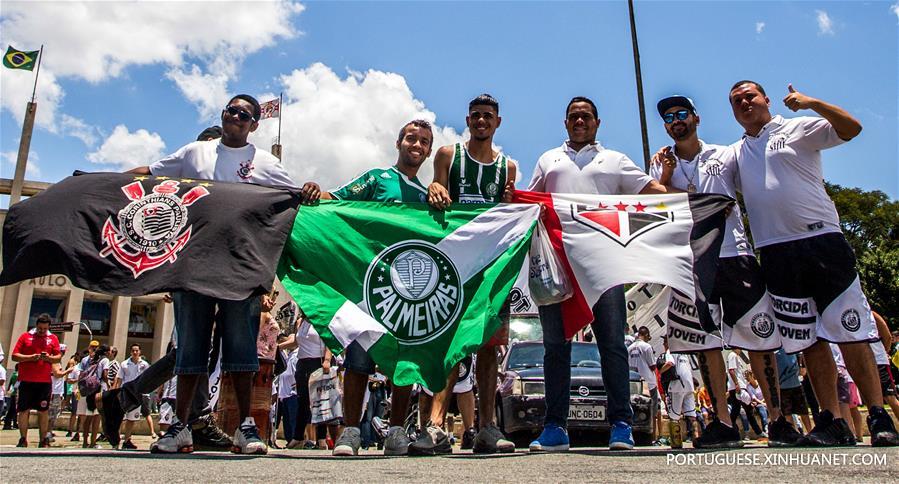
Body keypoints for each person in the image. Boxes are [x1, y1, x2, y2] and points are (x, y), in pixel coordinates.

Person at [126, 94, 320, 455]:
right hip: (193, 264)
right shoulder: (193, 153)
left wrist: (311, 190)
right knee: (191, 347)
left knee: (241, 347)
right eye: (232, 110)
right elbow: (149, 175)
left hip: (240, 266)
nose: (237, 117)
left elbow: (296, 196)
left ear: (254, 125)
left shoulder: (265, 163)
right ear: (223, 114)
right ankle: (181, 426)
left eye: (245, 114)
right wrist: (102, 183)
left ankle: (245, 428)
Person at [728, 80, 897, 446]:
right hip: (775, 251)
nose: (744, 103)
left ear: (766, 99)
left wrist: (810, 102)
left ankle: (879, 415)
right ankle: (831, 420)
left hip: (821, 240)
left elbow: (851, 128)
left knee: (850, 331)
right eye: (736, 101)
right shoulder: (736, 153)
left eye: (749, 96)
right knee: (808, 340)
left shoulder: (797, 128)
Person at [526, 96, 675, 452]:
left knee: (612, 345)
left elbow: (651, 193)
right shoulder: (548, 159)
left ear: (597, 122)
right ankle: (555, 426)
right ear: (565, 123)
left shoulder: (615, 160)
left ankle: (621, 424)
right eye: (573, 116)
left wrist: (678, 189)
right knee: (555, 346)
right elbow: (528, 201)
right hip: (559, 268)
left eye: (586, 116)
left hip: (605, 266)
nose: (579, 121)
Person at [651, 94, 799, 448]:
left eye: (682, 113)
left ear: (696, 118)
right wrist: (668, 176)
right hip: (691, 261)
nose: (676, 120)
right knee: (705, 343)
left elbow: (756, 182)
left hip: (735, 255)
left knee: (759, 337)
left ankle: (778, 419)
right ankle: (722, 421)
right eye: (669, 117)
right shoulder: (660, 164)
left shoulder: (726, 153)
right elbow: (656, 199)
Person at [319, 119, 434, 456]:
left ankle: (396, 432)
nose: (416, 145)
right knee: (358, 360)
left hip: (407, 293)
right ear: (398, 143)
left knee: (403, 364)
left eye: (424, 141)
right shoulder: (376, 179)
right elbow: (334, 201)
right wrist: (311, 192)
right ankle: (351, 432)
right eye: (411, 138)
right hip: (368, 287)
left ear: (429, 151)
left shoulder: (427, 197)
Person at [415, 93, 517, 455]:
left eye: (487, 115)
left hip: (491, 268)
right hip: (455, 268)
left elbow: (507, 214)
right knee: (450, 346)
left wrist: (509, 206)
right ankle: (435, 426)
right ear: (468, 119)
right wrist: (434, 187)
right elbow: (436, 192)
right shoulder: (448, 155)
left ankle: (487, 427)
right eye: (475, 115)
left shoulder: (507, 167)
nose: (481, 120)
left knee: (489, 348)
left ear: (497, 122)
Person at [282, 313, 336, 450]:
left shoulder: (321, 319)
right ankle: (298, 437)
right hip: (302, 363)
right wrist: (279, 346)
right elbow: (296, 342)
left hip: (317, 362)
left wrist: (327, 360)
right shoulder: (300, 322)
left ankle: (321, 439)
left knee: (320, 401)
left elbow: (329, 340)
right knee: (302, 401)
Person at [10, 314, 62, 447]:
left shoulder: (53, 338)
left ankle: (43, 440)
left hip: (44, 382)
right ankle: (23, 439)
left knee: (43, 411)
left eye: (45, 329)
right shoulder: (25, 336)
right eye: (40, 328)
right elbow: (14, 356)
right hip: (26, 380)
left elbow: (58, 357)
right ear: (36, 325)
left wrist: (48, 358)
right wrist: (30, 357)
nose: (42, 331)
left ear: (48, 327)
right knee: (23, 410)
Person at [660, 337, 698, 447]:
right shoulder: (685, 352)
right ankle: (696, 439)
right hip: (689, 385)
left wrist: (660, 371)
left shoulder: (671, 350)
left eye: (665, 342)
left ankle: (676, 442)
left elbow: (670, 363)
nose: (664, 344)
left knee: (674, 416)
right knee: (692, 415)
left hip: (677, 385)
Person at [115, 344, 151, 450]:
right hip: (125, 393)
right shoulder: (124, 364)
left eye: (137, 350)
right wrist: (116, 392)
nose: (135, 352)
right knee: (120, 418)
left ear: (140, 352)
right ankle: (116, 440)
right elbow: (119, 379)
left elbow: (147, 378)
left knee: (132, 419)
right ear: (130, 352)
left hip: (137, 394)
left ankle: (127, 440)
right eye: (133, 350)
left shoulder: (144, 364)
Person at [726, 349, 764, 439]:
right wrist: (737, 384)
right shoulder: (732, 355)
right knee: (746, 409)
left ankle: (729, 430)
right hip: (737, 387)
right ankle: (758, 432)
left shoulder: (736, 357)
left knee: (738, 410)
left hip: (739, 386)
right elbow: (731, 370)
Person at [775, 349, 813, 433]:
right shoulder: (775, 351)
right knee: (787, 413)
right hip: (782, 387)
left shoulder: (792, 348)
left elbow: (801, 359)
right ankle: (793, 433)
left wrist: (802, 367)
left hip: (796, 385)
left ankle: (810, 432)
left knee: (803, 411)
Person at [871, 312, 899, 422]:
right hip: (863, 362)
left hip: (879, 361)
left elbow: (887, 336)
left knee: (889, 396)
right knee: (874, 398)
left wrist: (883, 353)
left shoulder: (870, 313)